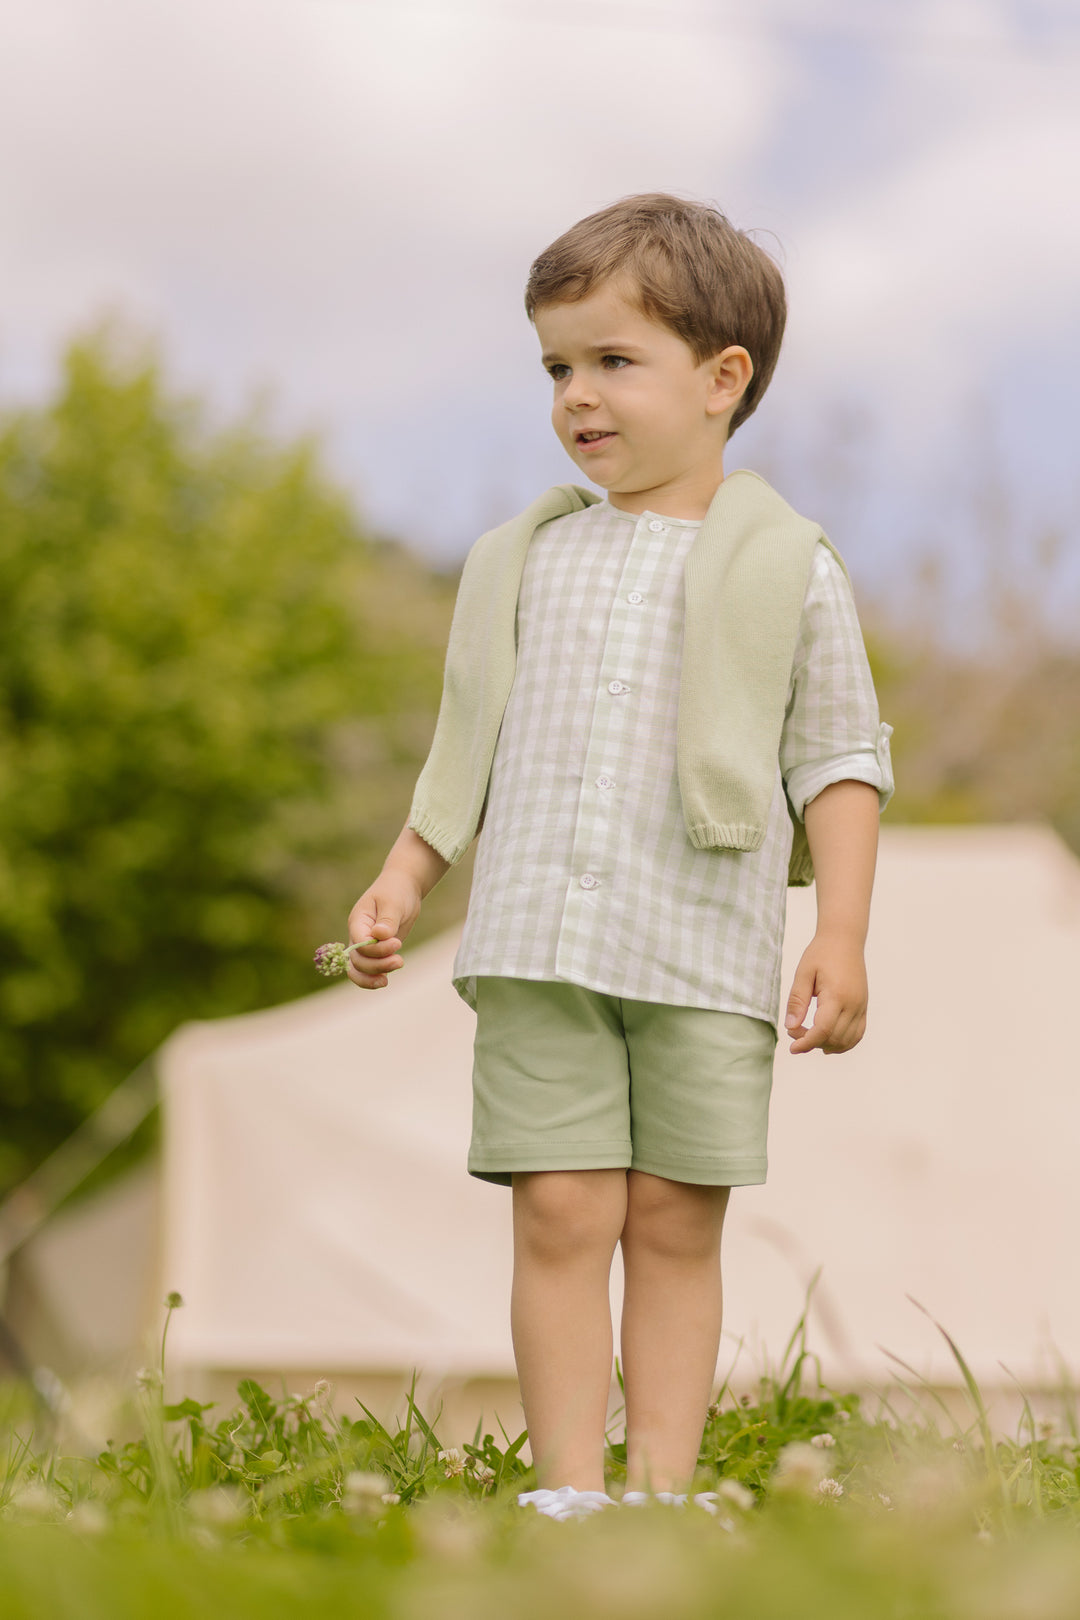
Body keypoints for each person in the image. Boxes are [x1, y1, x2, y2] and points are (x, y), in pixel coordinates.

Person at [343, 194, 893, 1518]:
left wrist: (841, 934)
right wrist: (405, 876)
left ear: (721, 380)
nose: (575, 396)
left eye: (611, 361)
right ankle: (569, 1491)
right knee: (561, 1213)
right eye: (555, 367)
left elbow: (837, 757)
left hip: (700, 949)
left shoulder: (788, 567)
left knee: (670, 1221)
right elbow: (468, 741)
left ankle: (660, 1488)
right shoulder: (524, 561)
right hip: (538, 939)